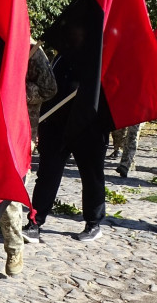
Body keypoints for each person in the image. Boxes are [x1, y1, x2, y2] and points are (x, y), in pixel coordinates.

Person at [0, 43, 56, 276]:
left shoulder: (31, 50)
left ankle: (15, 250)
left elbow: (49, 89)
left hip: (20, 132)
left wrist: (14, 90)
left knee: (9, 194)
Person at [27, 57, 108, 243]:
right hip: (56, 126)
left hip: (90, 127)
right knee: (48, 174)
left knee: (91, 176)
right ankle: (35, 223)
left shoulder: (101, 56)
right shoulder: (62, 56)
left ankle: (93, 223)